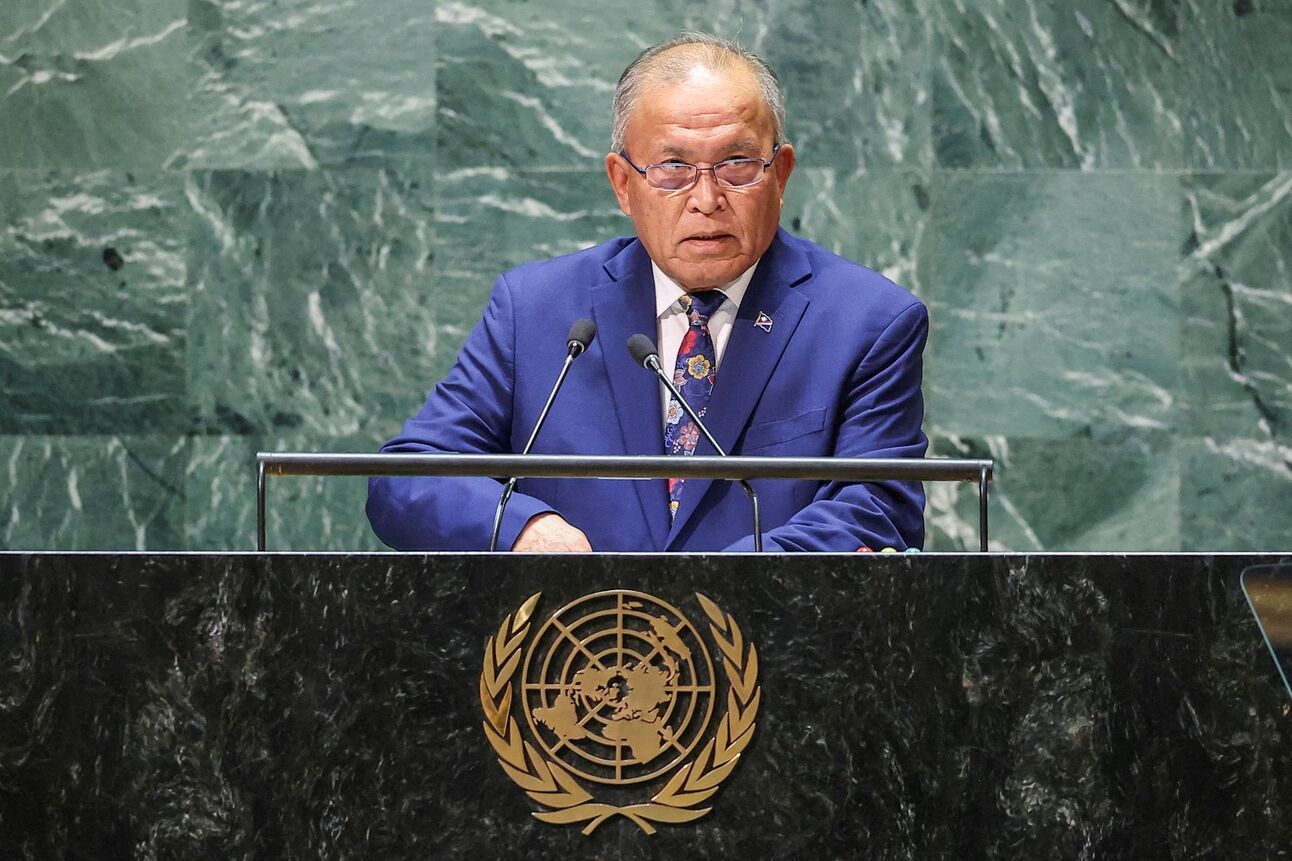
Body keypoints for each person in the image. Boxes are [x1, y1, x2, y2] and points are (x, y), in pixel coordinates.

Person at [367, 32, 928, 552]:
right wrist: (520, 526)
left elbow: (877, 504)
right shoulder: (536, 309)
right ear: (623, 184)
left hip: (772, 646)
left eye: (736, 164)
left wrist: (708, 590)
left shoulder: (868, 322)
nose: (706, 198)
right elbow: (409, 477)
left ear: (779, 174)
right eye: (673, 168)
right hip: (571, 648)